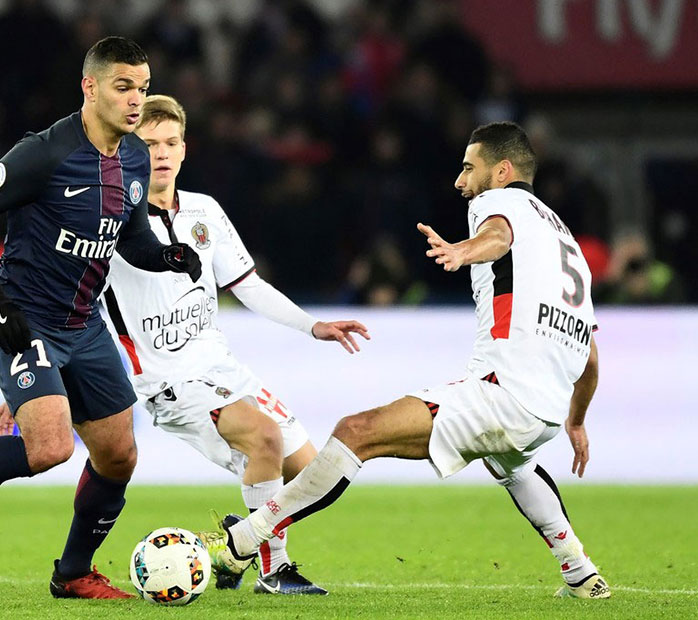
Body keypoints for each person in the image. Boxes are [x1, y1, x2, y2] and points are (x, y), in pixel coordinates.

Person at [0, 94, 369, 594]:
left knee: (314, 476)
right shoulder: (108, 218)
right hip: (166, 378)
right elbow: (71, 310)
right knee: (264, 439)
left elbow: (247, 284)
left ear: (185, 149)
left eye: (171, 143)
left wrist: (311, 325)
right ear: (129, 149)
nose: (162, 154)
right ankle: (275, 571)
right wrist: (26, 389)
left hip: (223, 366)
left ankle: (235, 546)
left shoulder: (204, 211)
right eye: (149, 144)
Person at [221, 122, 612, 600]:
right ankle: (581, 574)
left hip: (503, 393)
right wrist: (576, 421)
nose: (460, 181)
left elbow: (497, 235)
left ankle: (243, 540)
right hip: (545, 410)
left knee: (355, 432)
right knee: (513, 465)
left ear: (503, 170)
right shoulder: (565, 241)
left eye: (469, 167)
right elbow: (590, 354)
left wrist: (462, 251)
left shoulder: (500, 202)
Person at [0, 37, 201, 600]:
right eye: (124, 87)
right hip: (24, 319)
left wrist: (167, 256)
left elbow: (134, 238)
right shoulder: (46, 153)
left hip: (84, 323)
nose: (135, 101)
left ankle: (72, 574)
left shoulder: (136, 157)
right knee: (50, 447)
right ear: (89, 87)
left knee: (119, 454)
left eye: (142, 89)